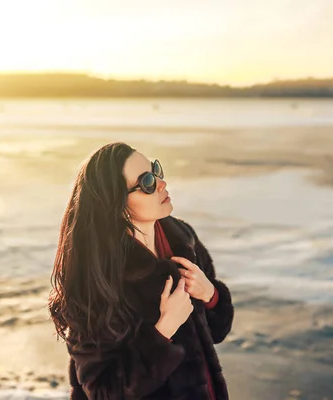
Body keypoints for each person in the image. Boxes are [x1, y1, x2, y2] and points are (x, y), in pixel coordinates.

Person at [48, 142, 234, 399]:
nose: (161, 184)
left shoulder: (182, 240)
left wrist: (210, 294)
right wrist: (163, 331)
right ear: (116, 203)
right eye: (147, 182)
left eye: (156, 171)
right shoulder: (97, 277)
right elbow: (103, 391)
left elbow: (216, 331)